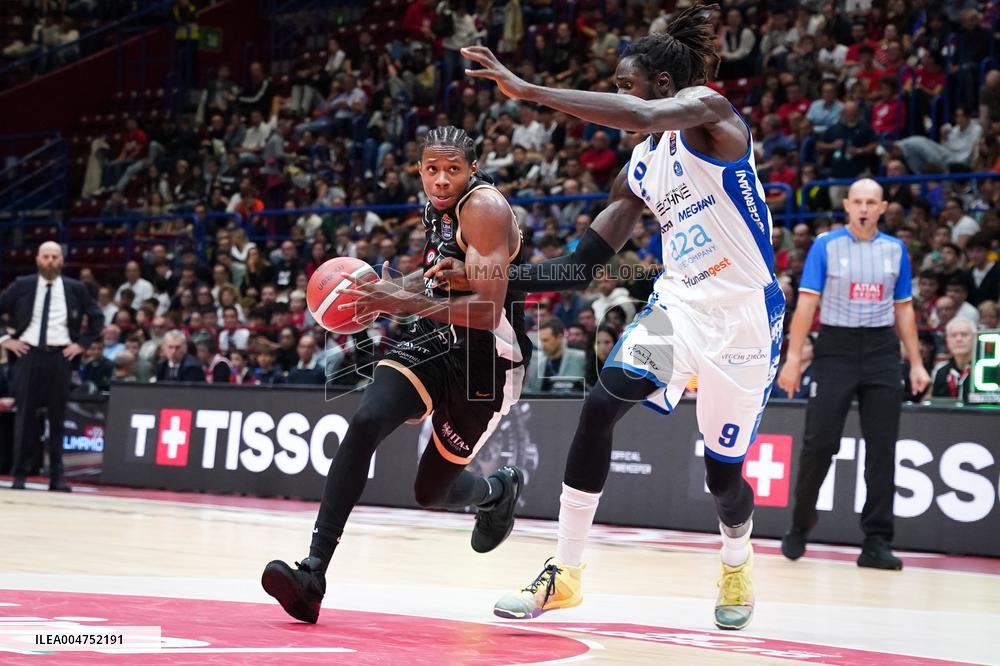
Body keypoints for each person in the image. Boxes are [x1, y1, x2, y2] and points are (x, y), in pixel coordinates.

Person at [451, 5, 784, 630]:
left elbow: (642, 116)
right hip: (677, 309)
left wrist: (527, 90)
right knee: (600, 406)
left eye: (625, 85)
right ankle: (565, 573)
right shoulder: (640, 170)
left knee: (722, 477)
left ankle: (737, 555)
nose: (616, 97)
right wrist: (491, 279)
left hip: (744, 319)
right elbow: (580, 266)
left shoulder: (712, 115)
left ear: (663, 86)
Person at [261, 126, 532, 624]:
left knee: (430, 492)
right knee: (366, 421)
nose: (441, 179)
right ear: (420, 170)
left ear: (472, 169)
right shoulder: (436, 206)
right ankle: (313, 572)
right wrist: (380, 290)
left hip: (486, 361)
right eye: (432, 170)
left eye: (453, 169)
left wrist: (401, 301)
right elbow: (433, 279)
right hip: (434, 337)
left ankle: (497, 491)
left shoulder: (485, 210)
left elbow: (488, 311)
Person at [777, 179, 930, 571]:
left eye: (871, 202)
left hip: (881, 350)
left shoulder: (896, 250)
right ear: (847, 205)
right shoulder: (825, 245)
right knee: (819, 444)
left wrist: (915, 362)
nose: (864, 208)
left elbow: (904, 310)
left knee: (882, 449)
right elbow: (807, 305)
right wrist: (794, 359)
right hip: (836, 349)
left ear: (882, 208)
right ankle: (800, 522)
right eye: (858, 201)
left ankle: (877, 541)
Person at [0, 242, 104, 491]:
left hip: (61, 357)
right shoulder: (22, 285)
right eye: (45, 256)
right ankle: (20, 474)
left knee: (58, 418)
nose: (49, 261)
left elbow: (97, 317)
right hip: (29, 354)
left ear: (61, 261)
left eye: (54, 257)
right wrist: (6, 340)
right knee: (24, 418)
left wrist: (81, 345)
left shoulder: (75, 288)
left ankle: (57, 477)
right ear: (37, 259)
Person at [526, 318, 586, 392]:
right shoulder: (538, 365)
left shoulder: (581, 358)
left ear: (560, 337)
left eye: (546, 340)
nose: (542, 345)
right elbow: (529, 391)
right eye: (541, 340)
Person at [930, 317, 975, 402]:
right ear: (947, 340)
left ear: (974, 338)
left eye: (964, 334)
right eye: (953, 335)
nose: (959, 339)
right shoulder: (941, 372)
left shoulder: (985, 371)